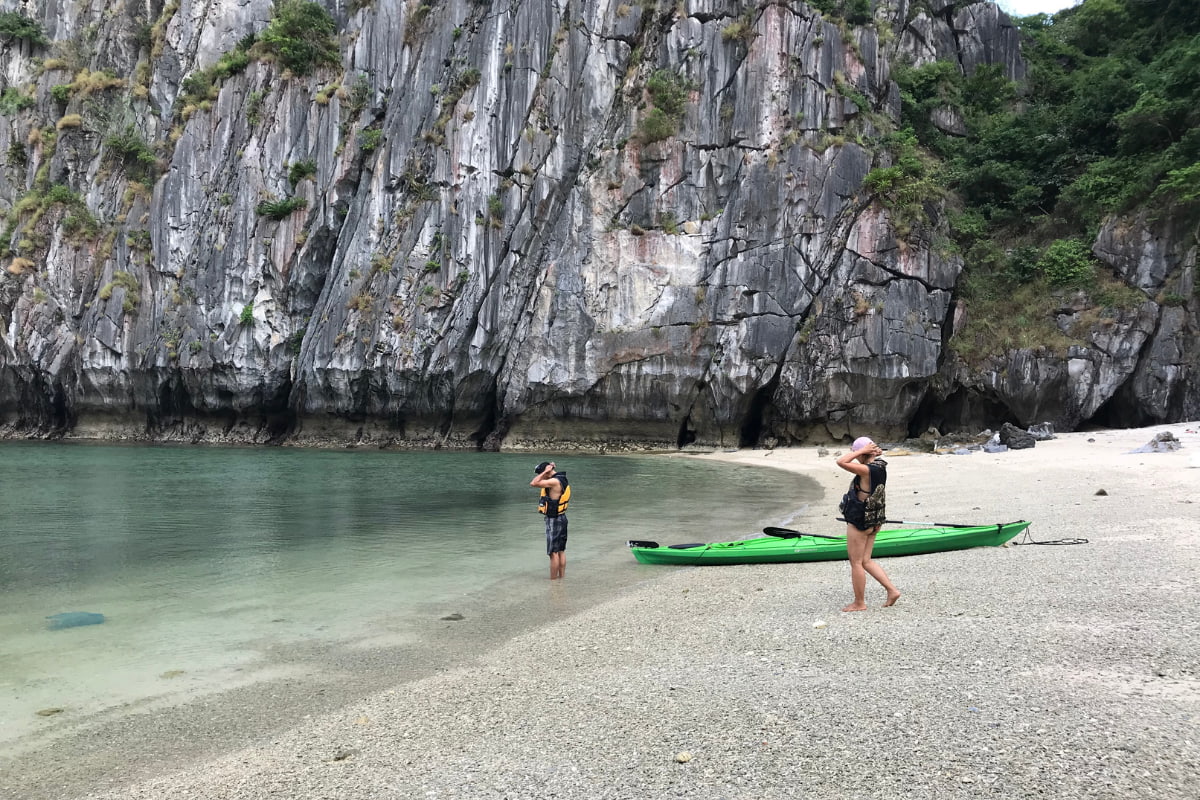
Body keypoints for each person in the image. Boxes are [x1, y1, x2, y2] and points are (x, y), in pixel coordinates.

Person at [835, 436, 900, 611]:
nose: (856, 457)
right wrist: (866, 451)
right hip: (875, 520)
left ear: (863, 453)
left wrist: (861, 451)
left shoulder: (866, 470)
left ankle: (859, 602)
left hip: (860, 521)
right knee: (866, 561)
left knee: (856, 562)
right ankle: (892, 590)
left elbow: (840, 461)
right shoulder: (880, 467)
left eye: (858, 454)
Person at [530, 460, 571, 580]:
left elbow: (533, 483)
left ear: (547, 472)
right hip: (562, 517)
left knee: (553, 553)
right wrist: (548, 470)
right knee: (561, 550)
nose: (542, 476)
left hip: (554, 519)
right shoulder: (562, 478)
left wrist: (546, 471)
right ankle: (561, 579)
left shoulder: (553, 481)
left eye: (542, 473)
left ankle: (553, 582)